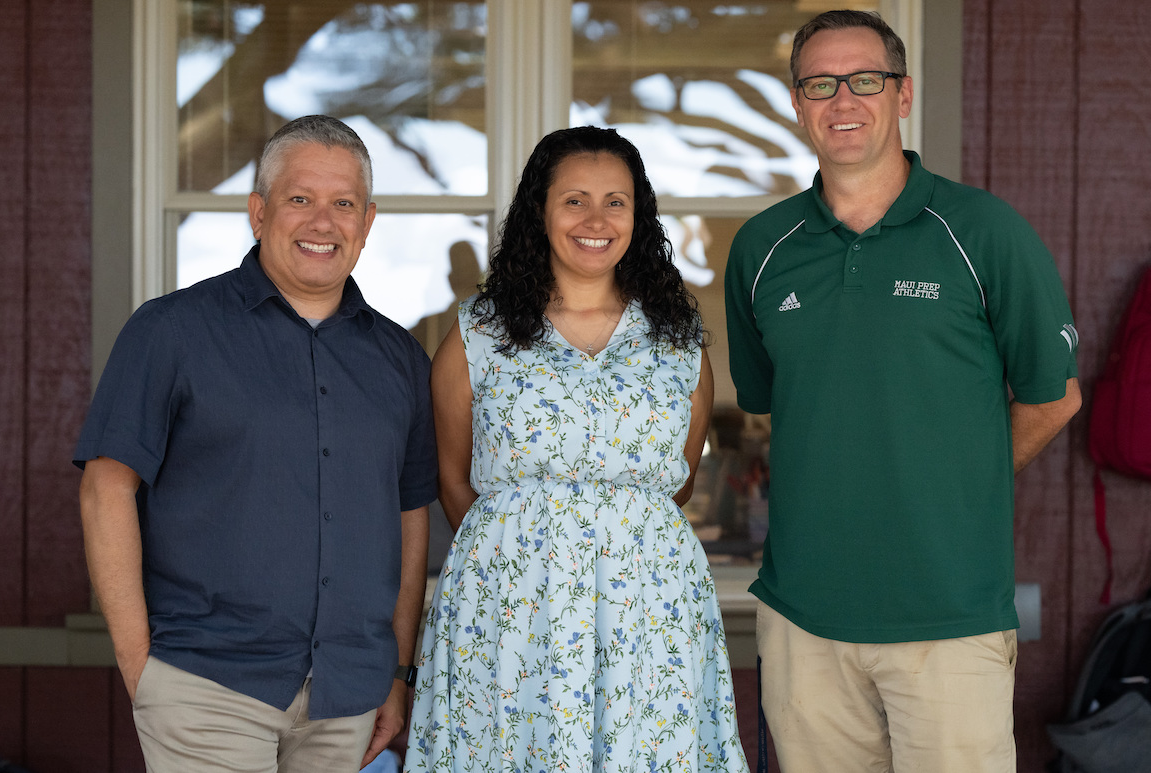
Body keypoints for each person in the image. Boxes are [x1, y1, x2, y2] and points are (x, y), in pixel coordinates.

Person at [724, 10, 1082, 773]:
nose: (842, 100)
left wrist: (954, 481)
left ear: (904, 93)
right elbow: (767, 396)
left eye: (865, 80)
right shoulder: (762, 247)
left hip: (946, 614)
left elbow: (1054, 396)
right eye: (820, 83)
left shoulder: (983, 231)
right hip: (804, 617)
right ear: (797, 103)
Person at [75, 115, 437, 773]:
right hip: (207, 686)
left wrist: (397, 670)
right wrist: (141, 668)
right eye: (301, 198)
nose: (322, 221)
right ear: (258, 211)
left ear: (368, 222)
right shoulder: (171, 332)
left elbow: (410, 515)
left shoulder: (400, 358)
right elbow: (106, 488)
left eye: (343, 203)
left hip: (347, 695)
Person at [405, 126, 750, 772]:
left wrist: (608, 539)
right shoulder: (477, 333)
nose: (597, 219)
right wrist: (533, 553)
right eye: (575, 200)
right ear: (540, 209)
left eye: (616, 201)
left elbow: (671, 485)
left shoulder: (678, 343)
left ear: (638, 216)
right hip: (511, 610)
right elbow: (452, 478)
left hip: (647, 610)